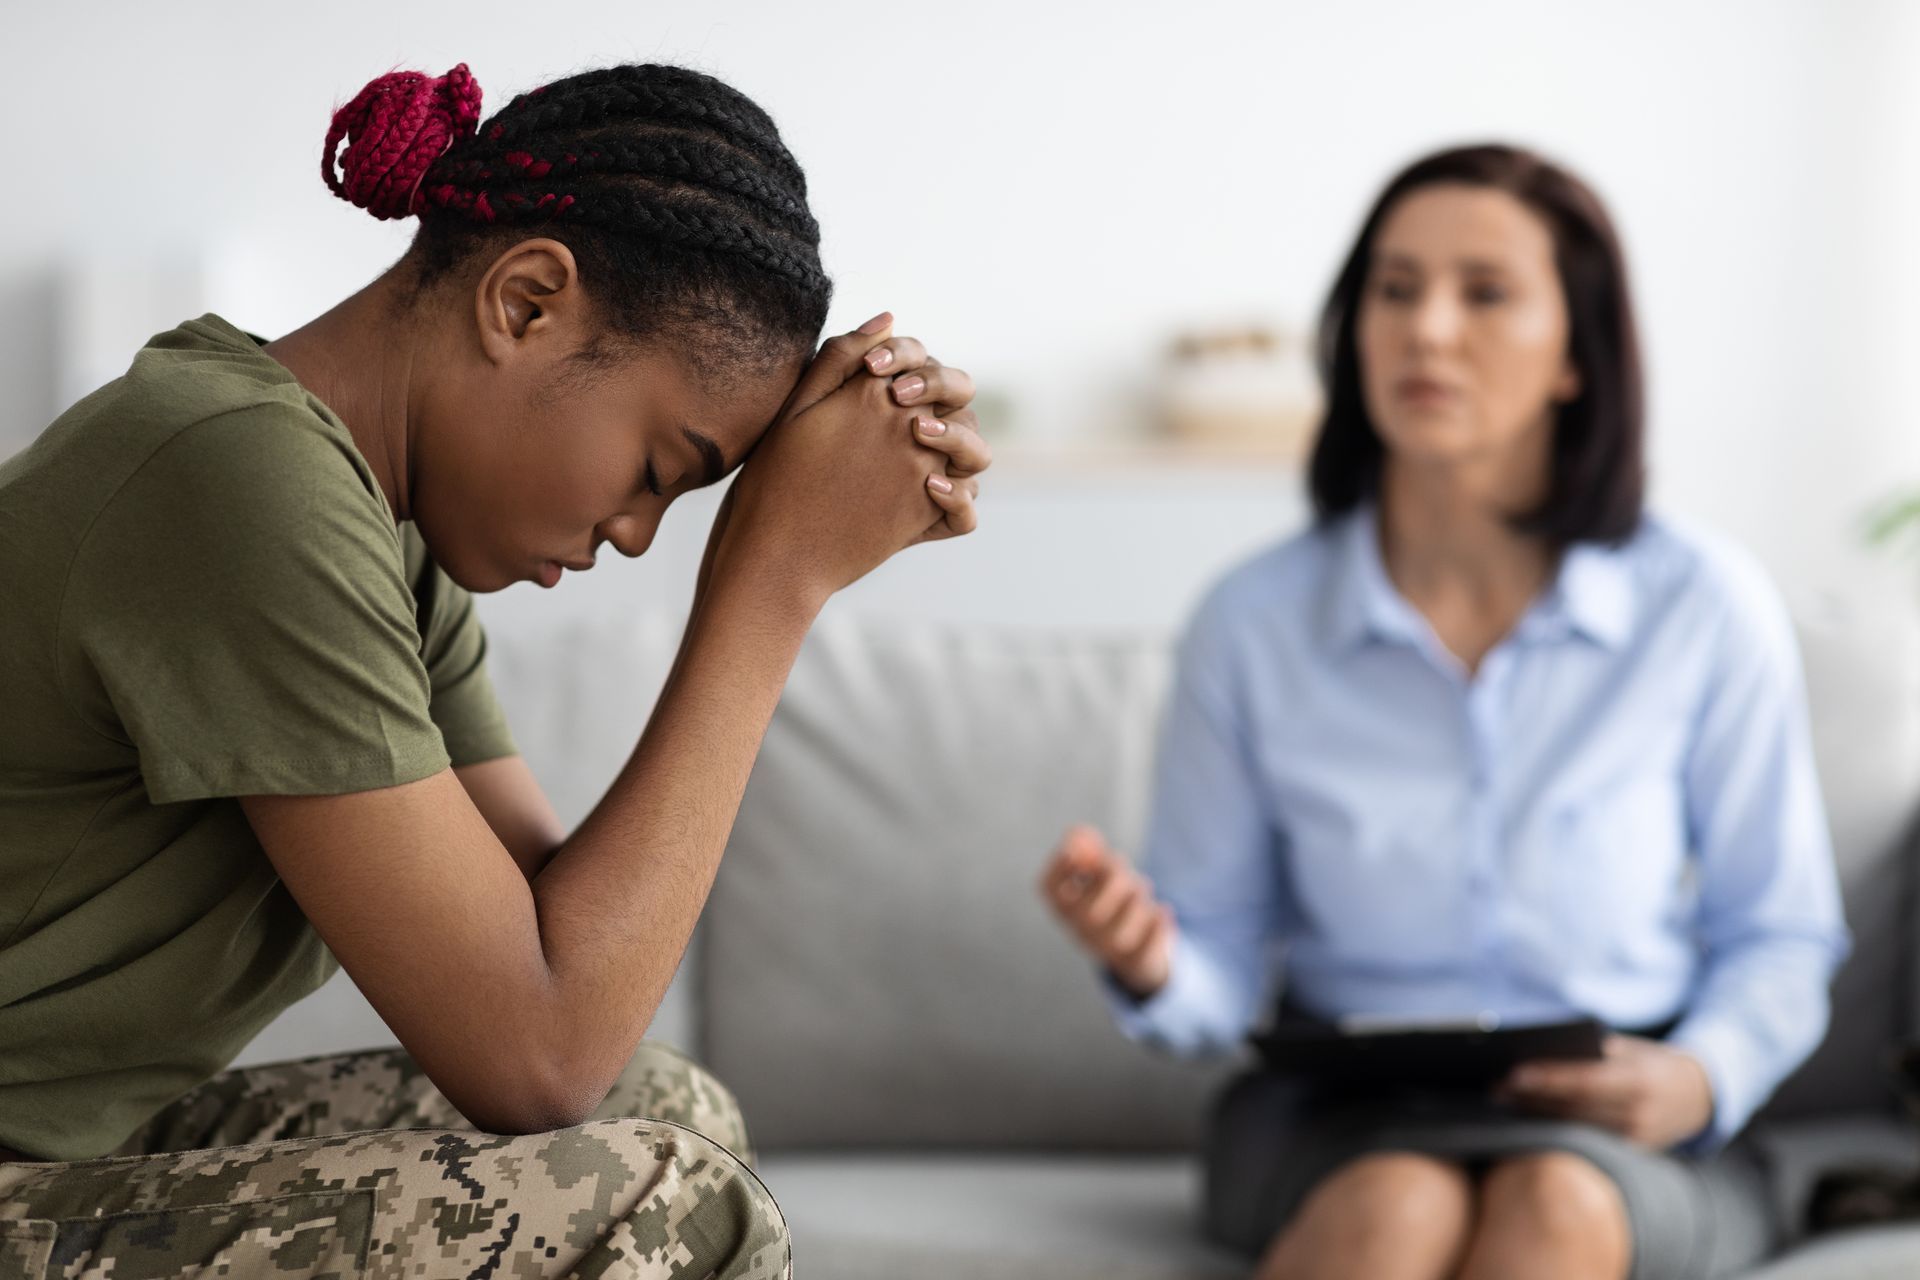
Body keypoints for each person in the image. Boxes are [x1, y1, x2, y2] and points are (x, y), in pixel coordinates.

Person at [0, 62, 987, 1278]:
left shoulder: (381, 537)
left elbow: (564, 957)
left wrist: (787, 516)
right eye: (657, 470)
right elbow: (537, 1051)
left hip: (65, 1153)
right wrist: (770, 584)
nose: (636, 534)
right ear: (525, 302)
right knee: (662, 1200)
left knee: (666, 1110)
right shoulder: (243, 480)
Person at [1040, 144, 1847, 1280]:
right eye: (1395, 287)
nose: (1426, 329)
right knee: (1394, 1205)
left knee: (1557, 1202)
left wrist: (1701, 1074)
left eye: (1486, 292)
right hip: (1343, 1114)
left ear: (1578, 352)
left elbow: (1782, 932)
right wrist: (1153, 957)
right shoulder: (1251, 620)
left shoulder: (1704, 607)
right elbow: (1216, 972)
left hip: (1625, 1112)